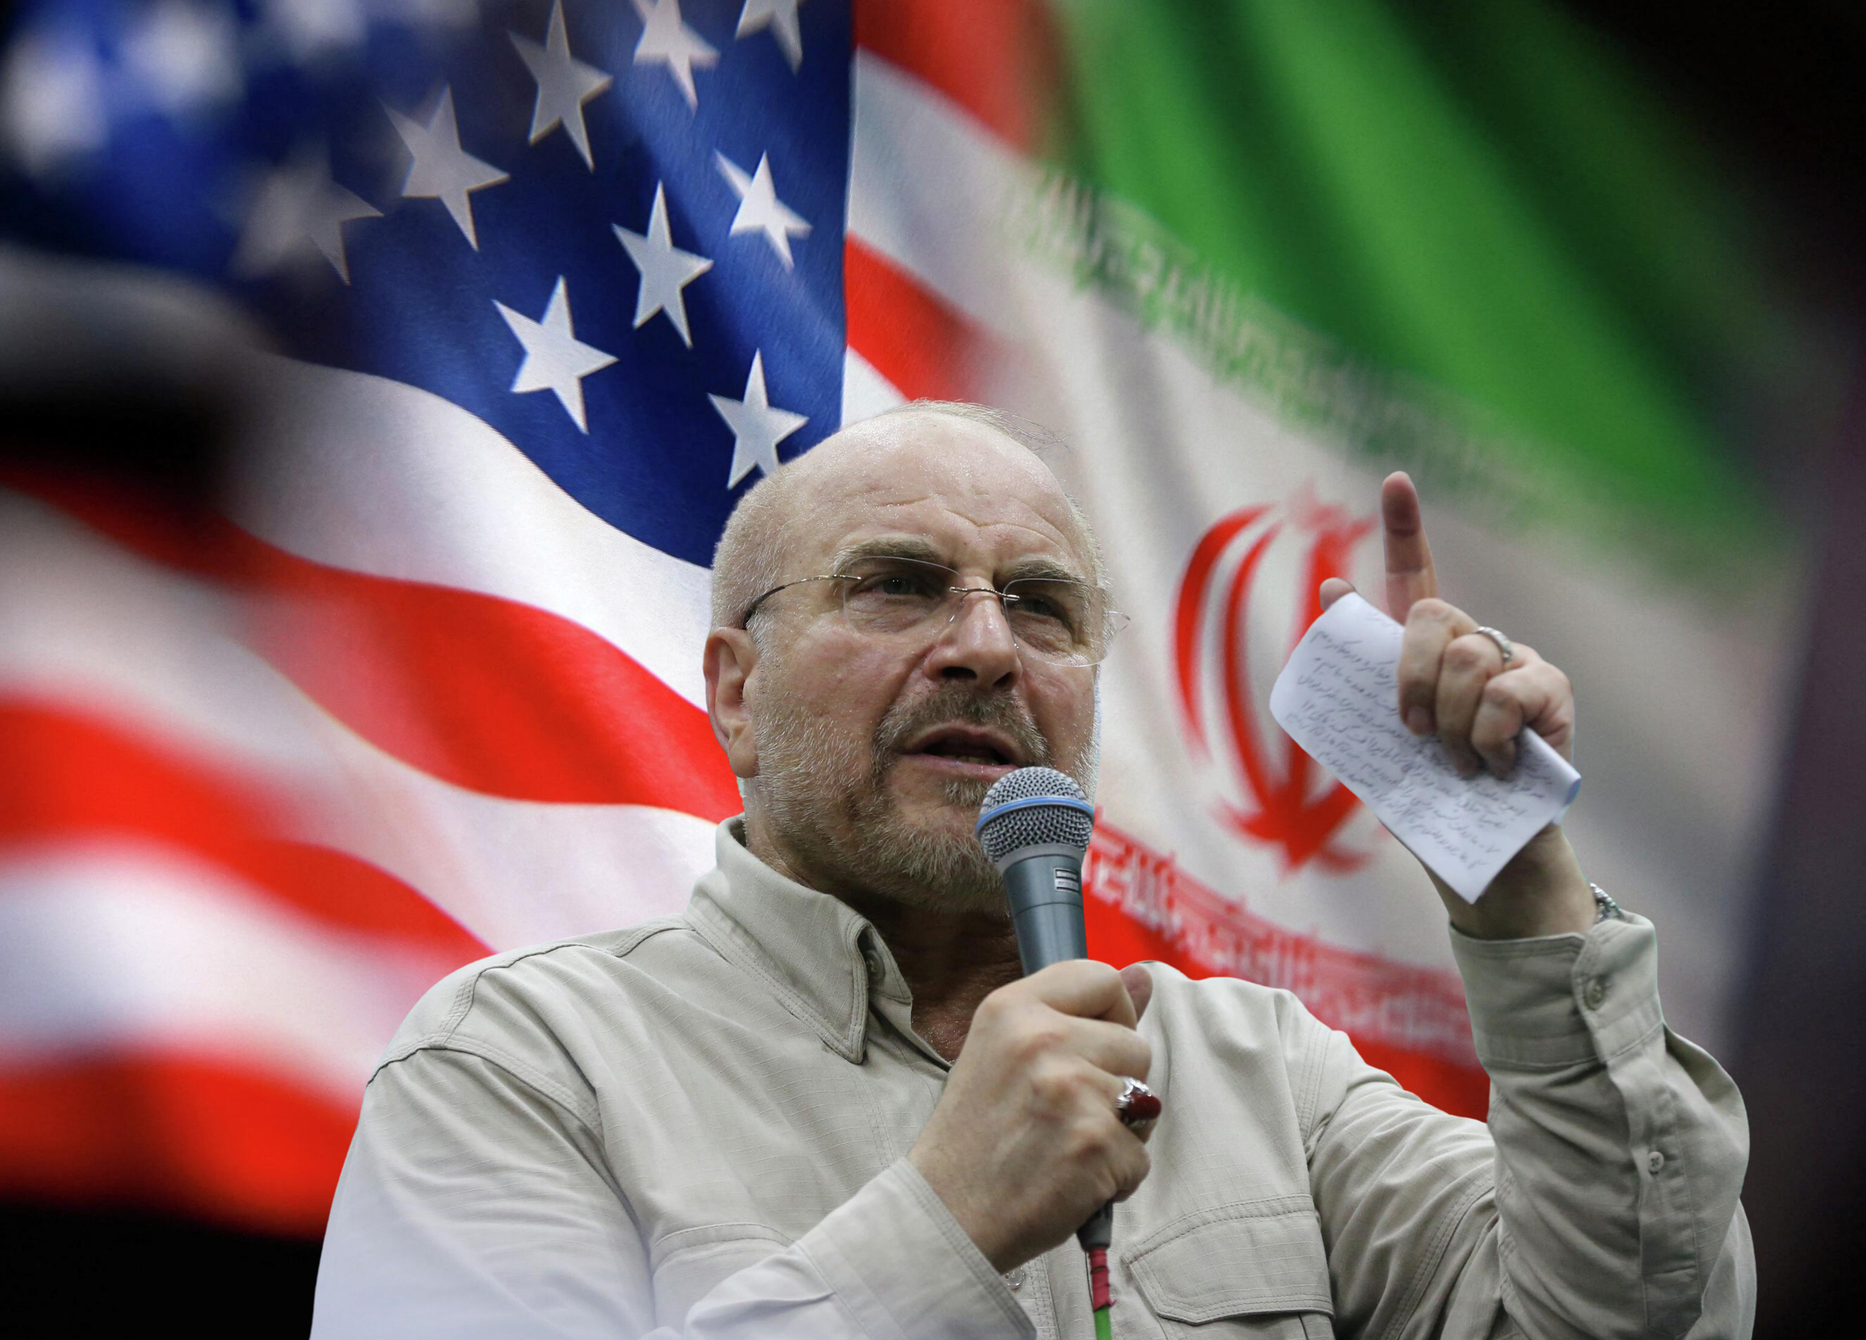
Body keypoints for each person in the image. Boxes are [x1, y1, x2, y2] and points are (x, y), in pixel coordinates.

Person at [311, 403, 1753, 1339]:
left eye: (1043, 607)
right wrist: (940, 1226)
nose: (988, 647)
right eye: (898, 584)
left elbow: (1643, 1314)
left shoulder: (1262, 1071)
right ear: (735, 691)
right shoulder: (519, 1060)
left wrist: (1517, 879)